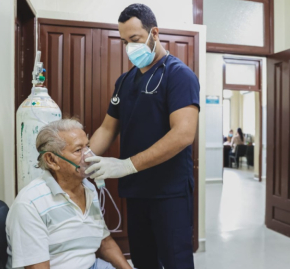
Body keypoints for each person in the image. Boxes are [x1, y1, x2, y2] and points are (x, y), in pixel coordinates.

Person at [85, 4, 200, 269]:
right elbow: (107, 128)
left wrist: (127, 165)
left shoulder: (179, 75)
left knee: (175, 263)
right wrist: (84, 158)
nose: (128, 48)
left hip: (168, 193)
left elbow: (183, 134)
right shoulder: (125, 81)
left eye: (134, 40)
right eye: (124, 41)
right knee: (143, 260)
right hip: (136, 192)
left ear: (154, 33)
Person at [5, 119, 132, 269]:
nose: (89, 156)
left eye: (88, 147)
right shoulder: (30, 204)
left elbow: (105, 242)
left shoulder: (89, 189)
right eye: (78, 150)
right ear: (52, 160)